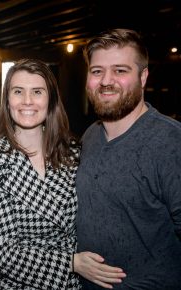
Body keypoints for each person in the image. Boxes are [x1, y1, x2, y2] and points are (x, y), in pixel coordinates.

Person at [0, 58, 122, 290]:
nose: (27, 101)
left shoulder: (73, 151)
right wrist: (71, 263)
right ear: (7, 100)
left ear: (50, 99)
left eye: (37, 92)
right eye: (18, 92)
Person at [76, 28, 181, 289]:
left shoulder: (171, 143)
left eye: (120, 71)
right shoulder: (90, 136)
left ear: (143, 77)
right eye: (97, 71)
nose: (106, 81)